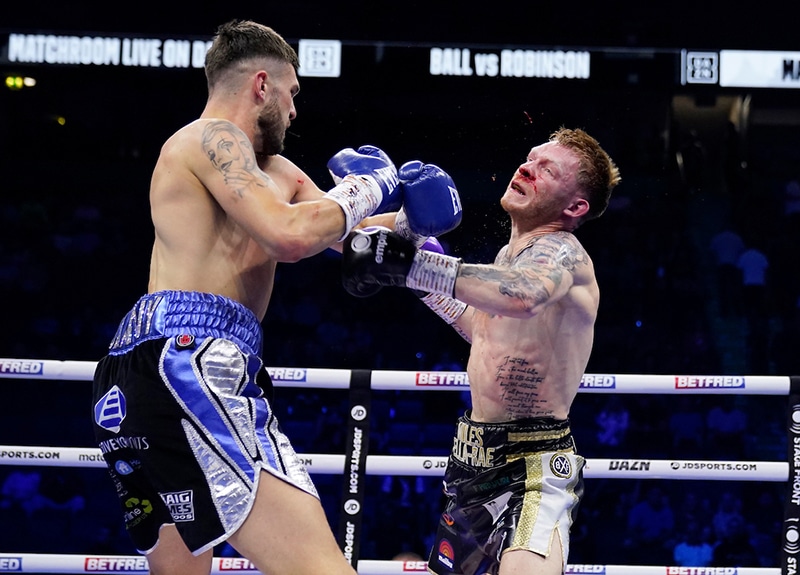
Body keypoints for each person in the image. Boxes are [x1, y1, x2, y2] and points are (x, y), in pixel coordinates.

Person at [90, 19, 461, 575]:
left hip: (148, 373)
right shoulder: (208, 138)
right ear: (261, 85)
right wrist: (370, 184)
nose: (294, 111)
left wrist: (412, 218)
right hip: (190, 362)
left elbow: (347, 238)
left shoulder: (277, 174)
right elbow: (288, 236)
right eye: (291, 94)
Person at [341, 127, 620, 574]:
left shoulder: (564, 255)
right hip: (471, 461)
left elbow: (522, 294)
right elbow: (485, 331)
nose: (528, 167)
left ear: (575, 207)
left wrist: (415, 263)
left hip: (534, 466)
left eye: (547, 169)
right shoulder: (511, 254)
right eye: (530, 158)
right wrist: (409, 269)